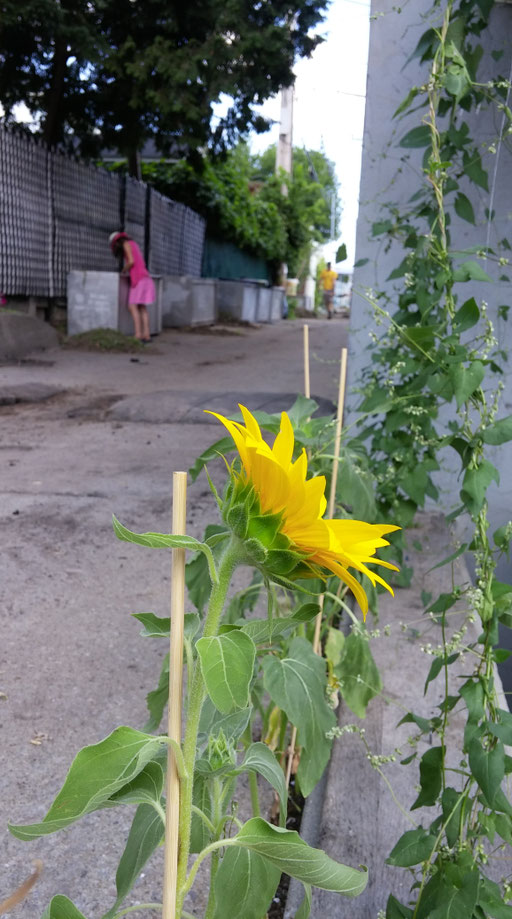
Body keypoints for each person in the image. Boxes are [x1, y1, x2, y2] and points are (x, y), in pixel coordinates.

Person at [109, 231, 155, 342]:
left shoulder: (126, 244)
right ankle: (147, 335)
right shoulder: (133, 243)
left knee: (132, 306)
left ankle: (138, 334)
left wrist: (123, 270)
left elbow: (131, 261)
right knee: (142, 307)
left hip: (138, 278)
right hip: (145, 277)